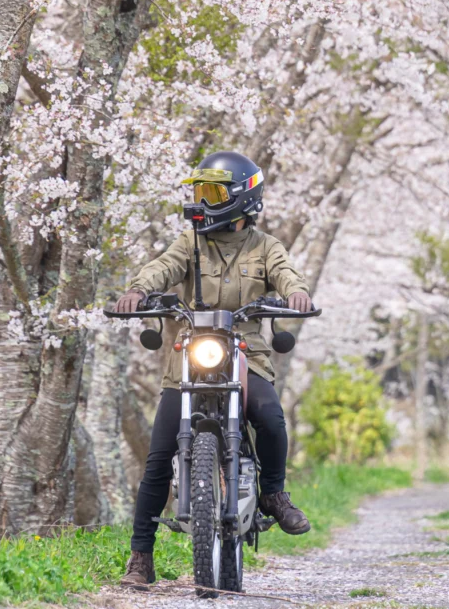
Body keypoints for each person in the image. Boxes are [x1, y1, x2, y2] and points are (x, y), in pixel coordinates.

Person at [115, 150, 314, 589]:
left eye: (211, 192)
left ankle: (274, 494)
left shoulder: (265, 246)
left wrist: (296, 293)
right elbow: (163, 266)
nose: (201, 200)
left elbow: (285, 274)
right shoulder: (190, 243)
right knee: (157, 457)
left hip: (247, 354)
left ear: (240, 198)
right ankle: (140, 557)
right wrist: (138, 289)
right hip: (189, 356)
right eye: (199, 191)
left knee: (272, 419)